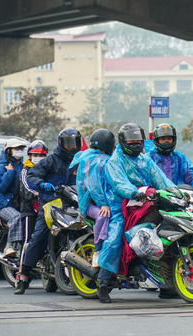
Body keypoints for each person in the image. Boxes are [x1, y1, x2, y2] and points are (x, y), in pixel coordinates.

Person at [99, 123, 176, 303]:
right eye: (131, 142)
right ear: (123, 141)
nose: (135, 145)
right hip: (122, 205)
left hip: (146, 202)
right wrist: (133, 192)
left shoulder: (145, 160)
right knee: (115, 239)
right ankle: (102, 283)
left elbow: (161, 179)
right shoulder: (114, 161)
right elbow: (118, 183)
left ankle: (166, 284)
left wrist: (176, 192)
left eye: (138, 142)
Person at [15, 128, 82, 294]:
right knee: (38, 236)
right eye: (68, 143)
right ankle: (23, 276)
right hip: (49, 205)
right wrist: (41, 183)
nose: (72, 147)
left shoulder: (81, 161)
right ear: (61, 144)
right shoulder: (51, 160)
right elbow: (31, 177)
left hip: (72, 204)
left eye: (75, 143)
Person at [70, 129, 116, 269]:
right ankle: (98, 250)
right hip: (92, 205)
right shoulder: (95, 160)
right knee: (103, 216)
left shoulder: (95, 158)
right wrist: (103, 204)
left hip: (108, 202)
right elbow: (94, 185)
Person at [0, 138, 28, 258]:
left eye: (21, 149)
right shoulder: (3, 167)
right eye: (16, 149)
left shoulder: (22, 167)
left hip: (17, 204)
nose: (19, 151)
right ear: (9, 151)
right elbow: (0, 188)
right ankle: (9, 246)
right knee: (16, 217)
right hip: (4, 205)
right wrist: (9, 173)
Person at [16, 140, 48, 271]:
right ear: (29, 155)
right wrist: (39, 194)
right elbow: (25, 189)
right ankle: (22, 272)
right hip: (29, 210)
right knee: (28, 240)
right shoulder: (25, 170)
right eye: (35, 155)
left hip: (45, 208)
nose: (38, 158)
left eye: (41, 156)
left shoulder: (47, 170)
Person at [146, 123, 193, 190]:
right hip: (156, 196)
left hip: (180, 195)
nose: (166, 141)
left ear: (173, 139)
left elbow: (191, 173)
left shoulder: (180, 157)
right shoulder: (148, 158)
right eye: (163, 139)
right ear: (157, 140)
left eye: (169, 138)